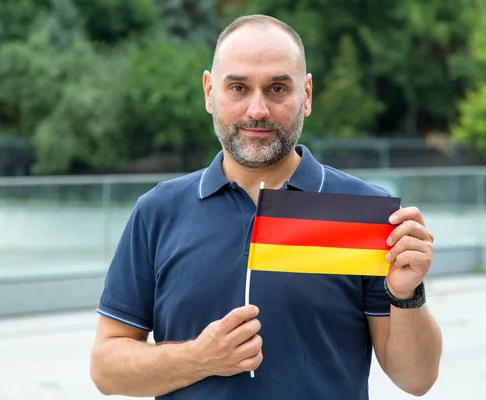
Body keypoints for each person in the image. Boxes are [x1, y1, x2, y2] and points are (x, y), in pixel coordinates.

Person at [90, 14, 442, 400]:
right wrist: (199, 358)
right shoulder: (158, 211)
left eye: (277, 88)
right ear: (209, 91)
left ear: (306, 95)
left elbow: (416, 380)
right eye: (238, 87)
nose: (257, 110)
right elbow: (107, 368)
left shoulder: (361, 212)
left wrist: (406, 295)